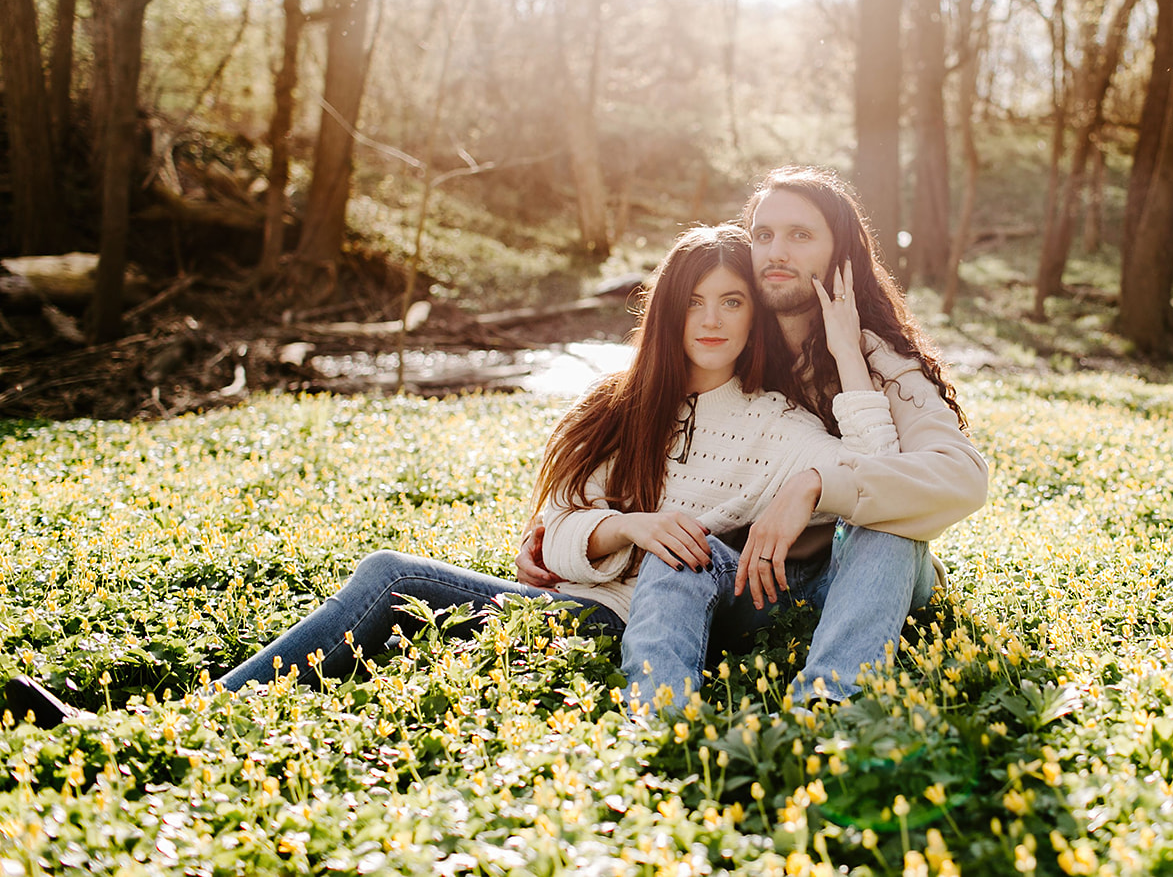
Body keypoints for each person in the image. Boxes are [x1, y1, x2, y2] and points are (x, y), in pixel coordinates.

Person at [3, 225, 901, 730]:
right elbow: (550, 532)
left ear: (752, 315)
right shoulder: (616, 404)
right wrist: (628, 525)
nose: (712, 318)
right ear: (667, 311)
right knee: (390, 573)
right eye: (695, 300)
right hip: (578, 605)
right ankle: (160, 722)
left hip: (674, 614)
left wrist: (844, 352)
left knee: (668, 568)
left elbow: (868, 464)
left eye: (732, 300)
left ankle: (662, 722)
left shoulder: (778, 427)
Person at [619, 166, 988, 709]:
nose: (776, 252)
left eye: (800, 235)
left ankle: (826, 708)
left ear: (841, 252)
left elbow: (962, 475)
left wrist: (817, 483)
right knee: (682, 562)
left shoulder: (884, 359)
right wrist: (577, 526)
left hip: (871, 572)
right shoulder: (733, 341)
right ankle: (659, 723)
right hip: (755, 582)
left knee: (883, 526)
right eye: (763, 235)